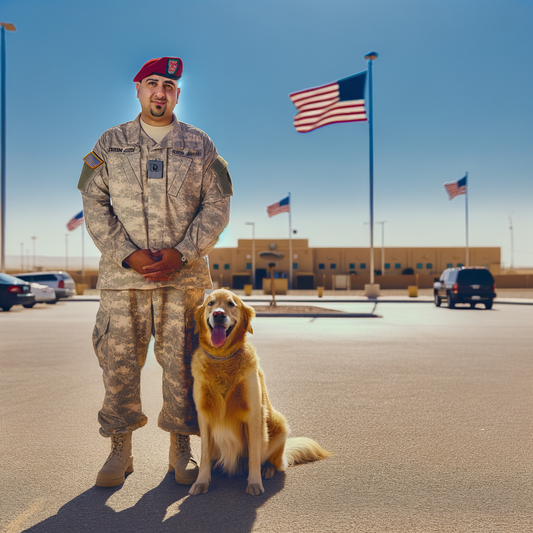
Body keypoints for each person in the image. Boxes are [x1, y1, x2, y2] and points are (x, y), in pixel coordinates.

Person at [77, 57, 233, 488]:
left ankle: (180, 447)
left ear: (177, 94)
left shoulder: (199, 145)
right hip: (122, 280)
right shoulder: (112, 143)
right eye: (152, 84)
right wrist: (129, 255)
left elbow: (217, 206)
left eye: (168, 85)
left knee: (183, 365)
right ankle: (120, 448)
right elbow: (94, 204)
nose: (159, 92)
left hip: (183, 282)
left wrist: (182, 253)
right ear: (138, 90)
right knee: (118, 365)